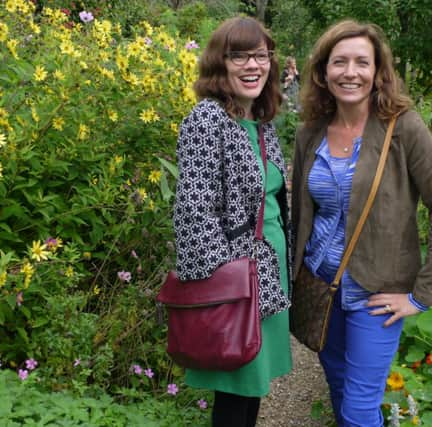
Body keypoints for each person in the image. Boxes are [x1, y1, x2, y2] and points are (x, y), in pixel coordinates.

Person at [291, 20, 432, 427]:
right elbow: (300, 213)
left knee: (359, 410)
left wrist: (421, 295)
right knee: (338, 388)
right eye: (339, 62)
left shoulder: (403, 127)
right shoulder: (309, 132)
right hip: (321, 285)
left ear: (378, 72)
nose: (350, 72)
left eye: (361, 62)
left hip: (377, 293)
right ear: (322, 71)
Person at [173, 17, 292, 427]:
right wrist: (223, 285)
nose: (252, 65)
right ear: (218, 64)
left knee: (254, 384)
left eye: (260, 55)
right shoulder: (207, 120)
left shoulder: (260, 122)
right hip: (237, 281)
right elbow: (193, 209)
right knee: (234, 390)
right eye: (238, 55)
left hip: (267, 272)